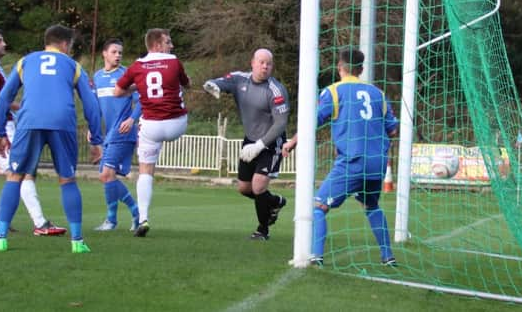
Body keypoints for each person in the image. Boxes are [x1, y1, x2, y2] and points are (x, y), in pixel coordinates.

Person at [0, 24, 103, 253]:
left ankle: (0, 238)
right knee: (67, 180)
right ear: (64, 44)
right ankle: (77, 242)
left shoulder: (25, 61)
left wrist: (0, 132)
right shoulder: (73, 66)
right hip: (62, 122)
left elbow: (4, 98)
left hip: (30, 120)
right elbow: (90, 103)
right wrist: (96, 140)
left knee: (15, 177)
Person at [282, 49, 398, 266]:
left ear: (339, 67)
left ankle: (316, 256)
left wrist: (292, 142)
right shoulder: (377, 93)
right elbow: (392, 130)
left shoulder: (333, 92)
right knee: (371, 205)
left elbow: (312, 123)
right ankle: (388, 256)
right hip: (377, 163)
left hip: (352, 161)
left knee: (318, 207)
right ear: (361, 69)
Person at [0, 27, 67, 237]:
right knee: (22, 173)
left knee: (16, 175)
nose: (4, 44)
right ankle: (40, 223)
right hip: (0, 127)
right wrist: (22, 107)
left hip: (0, 126)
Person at [203, 48, 289, 241]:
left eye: (269, 63)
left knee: (258, 187)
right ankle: (275, 201)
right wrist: (211, 85)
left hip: (271, 143)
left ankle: (262, 230)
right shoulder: (240, 79)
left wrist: (260, 145)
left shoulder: (276, 90)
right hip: (250, 140)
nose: (265, 66)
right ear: (252, 63)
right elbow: (220, 82)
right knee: (244, 188)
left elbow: (281, 123)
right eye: (261, 62)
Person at [114, 28, 190, 237]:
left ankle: (144, 217)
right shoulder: (174, 61)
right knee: (178, 93)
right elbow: (187, 83)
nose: (171, 46)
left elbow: (117, 92)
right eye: (168, 42)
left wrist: (137, 88)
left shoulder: (137, 66)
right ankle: (143, 218)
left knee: (146, 169)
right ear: (157, 45)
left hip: (152, 126)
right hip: (177, 124)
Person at [91, 38, 140, 232]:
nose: (118, 55)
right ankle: (131, 216)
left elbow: (142, 99)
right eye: (114, 52)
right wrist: (92, 129)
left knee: (106, 174)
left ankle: (117, 219)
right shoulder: (98, 77)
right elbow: (96, 107)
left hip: (123, 132)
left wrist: (132, 119)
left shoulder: (127, 75)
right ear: (104, 53)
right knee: (107, 177)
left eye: (120, 52)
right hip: (109, 134)